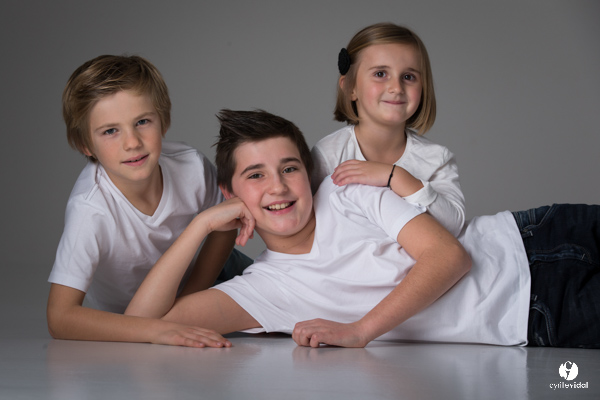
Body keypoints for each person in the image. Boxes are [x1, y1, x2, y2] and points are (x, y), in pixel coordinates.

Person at [125, 109, 600, 349]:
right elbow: (143, 325)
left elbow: (449, 257)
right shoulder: (261, 290)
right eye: (255, 175)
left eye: (289, 168)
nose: (278, 187)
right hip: (536, 316)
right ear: (230, 193)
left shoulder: (346, 191)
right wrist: (204, 224)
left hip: (537, 238)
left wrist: (360, 331)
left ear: (307, 173)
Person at [47, 55, 251, 344]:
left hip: (207, 268)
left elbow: (224, 227)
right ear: (85, 144)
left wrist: (187, 303)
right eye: (110, 131)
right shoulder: (90, 211)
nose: (132, 142)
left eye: (142, 122)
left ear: (163, 121)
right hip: (137, 311)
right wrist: (159, 330)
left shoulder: (190, 165)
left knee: (289, 289)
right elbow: (59, 317)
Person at [311, 23, 465, 236]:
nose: (396, 88)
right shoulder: (328, 154)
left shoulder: (436, 159)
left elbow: (454, 226)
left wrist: (396, 177)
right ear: (350, 87)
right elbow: (308, 225)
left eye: (408, 77)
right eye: (381, 73)